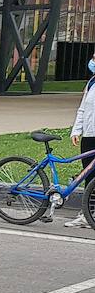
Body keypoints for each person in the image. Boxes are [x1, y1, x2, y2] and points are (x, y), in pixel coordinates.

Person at [65, 52, 95, 229]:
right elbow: (82, 109)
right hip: (89, 136)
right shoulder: (91, 83)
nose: (92, 61)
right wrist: (76, 130)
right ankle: (87, 213)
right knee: (89, 175)